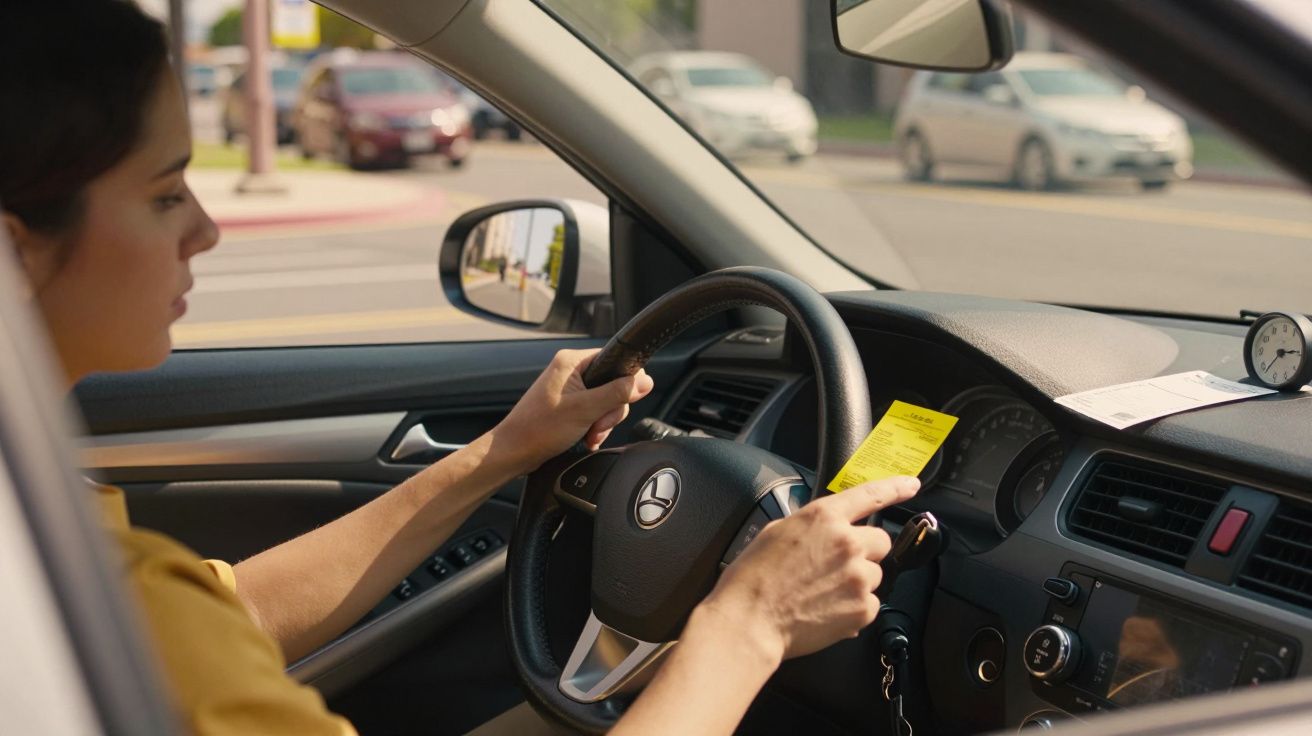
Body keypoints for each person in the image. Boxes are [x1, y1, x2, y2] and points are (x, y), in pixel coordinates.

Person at [0, 2, 919, 734]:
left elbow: (222, 613)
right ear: (17, 251)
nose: (205, 228)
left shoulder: (67, 544)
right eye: (165, 194)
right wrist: (749, 622)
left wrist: (502, 452)